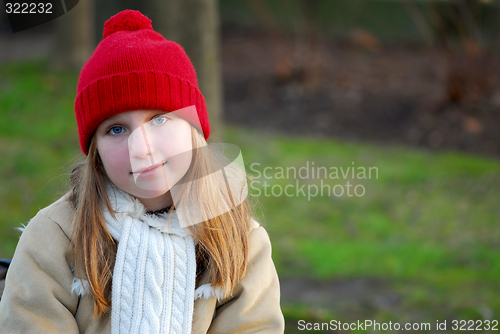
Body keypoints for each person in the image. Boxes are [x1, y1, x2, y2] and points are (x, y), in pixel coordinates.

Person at [0, 9, 285, 334]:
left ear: (193, 129)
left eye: (160, 119)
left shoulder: (239, 241)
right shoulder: (54, 238)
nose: (142, 147)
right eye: (117, 130)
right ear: (97, 153)